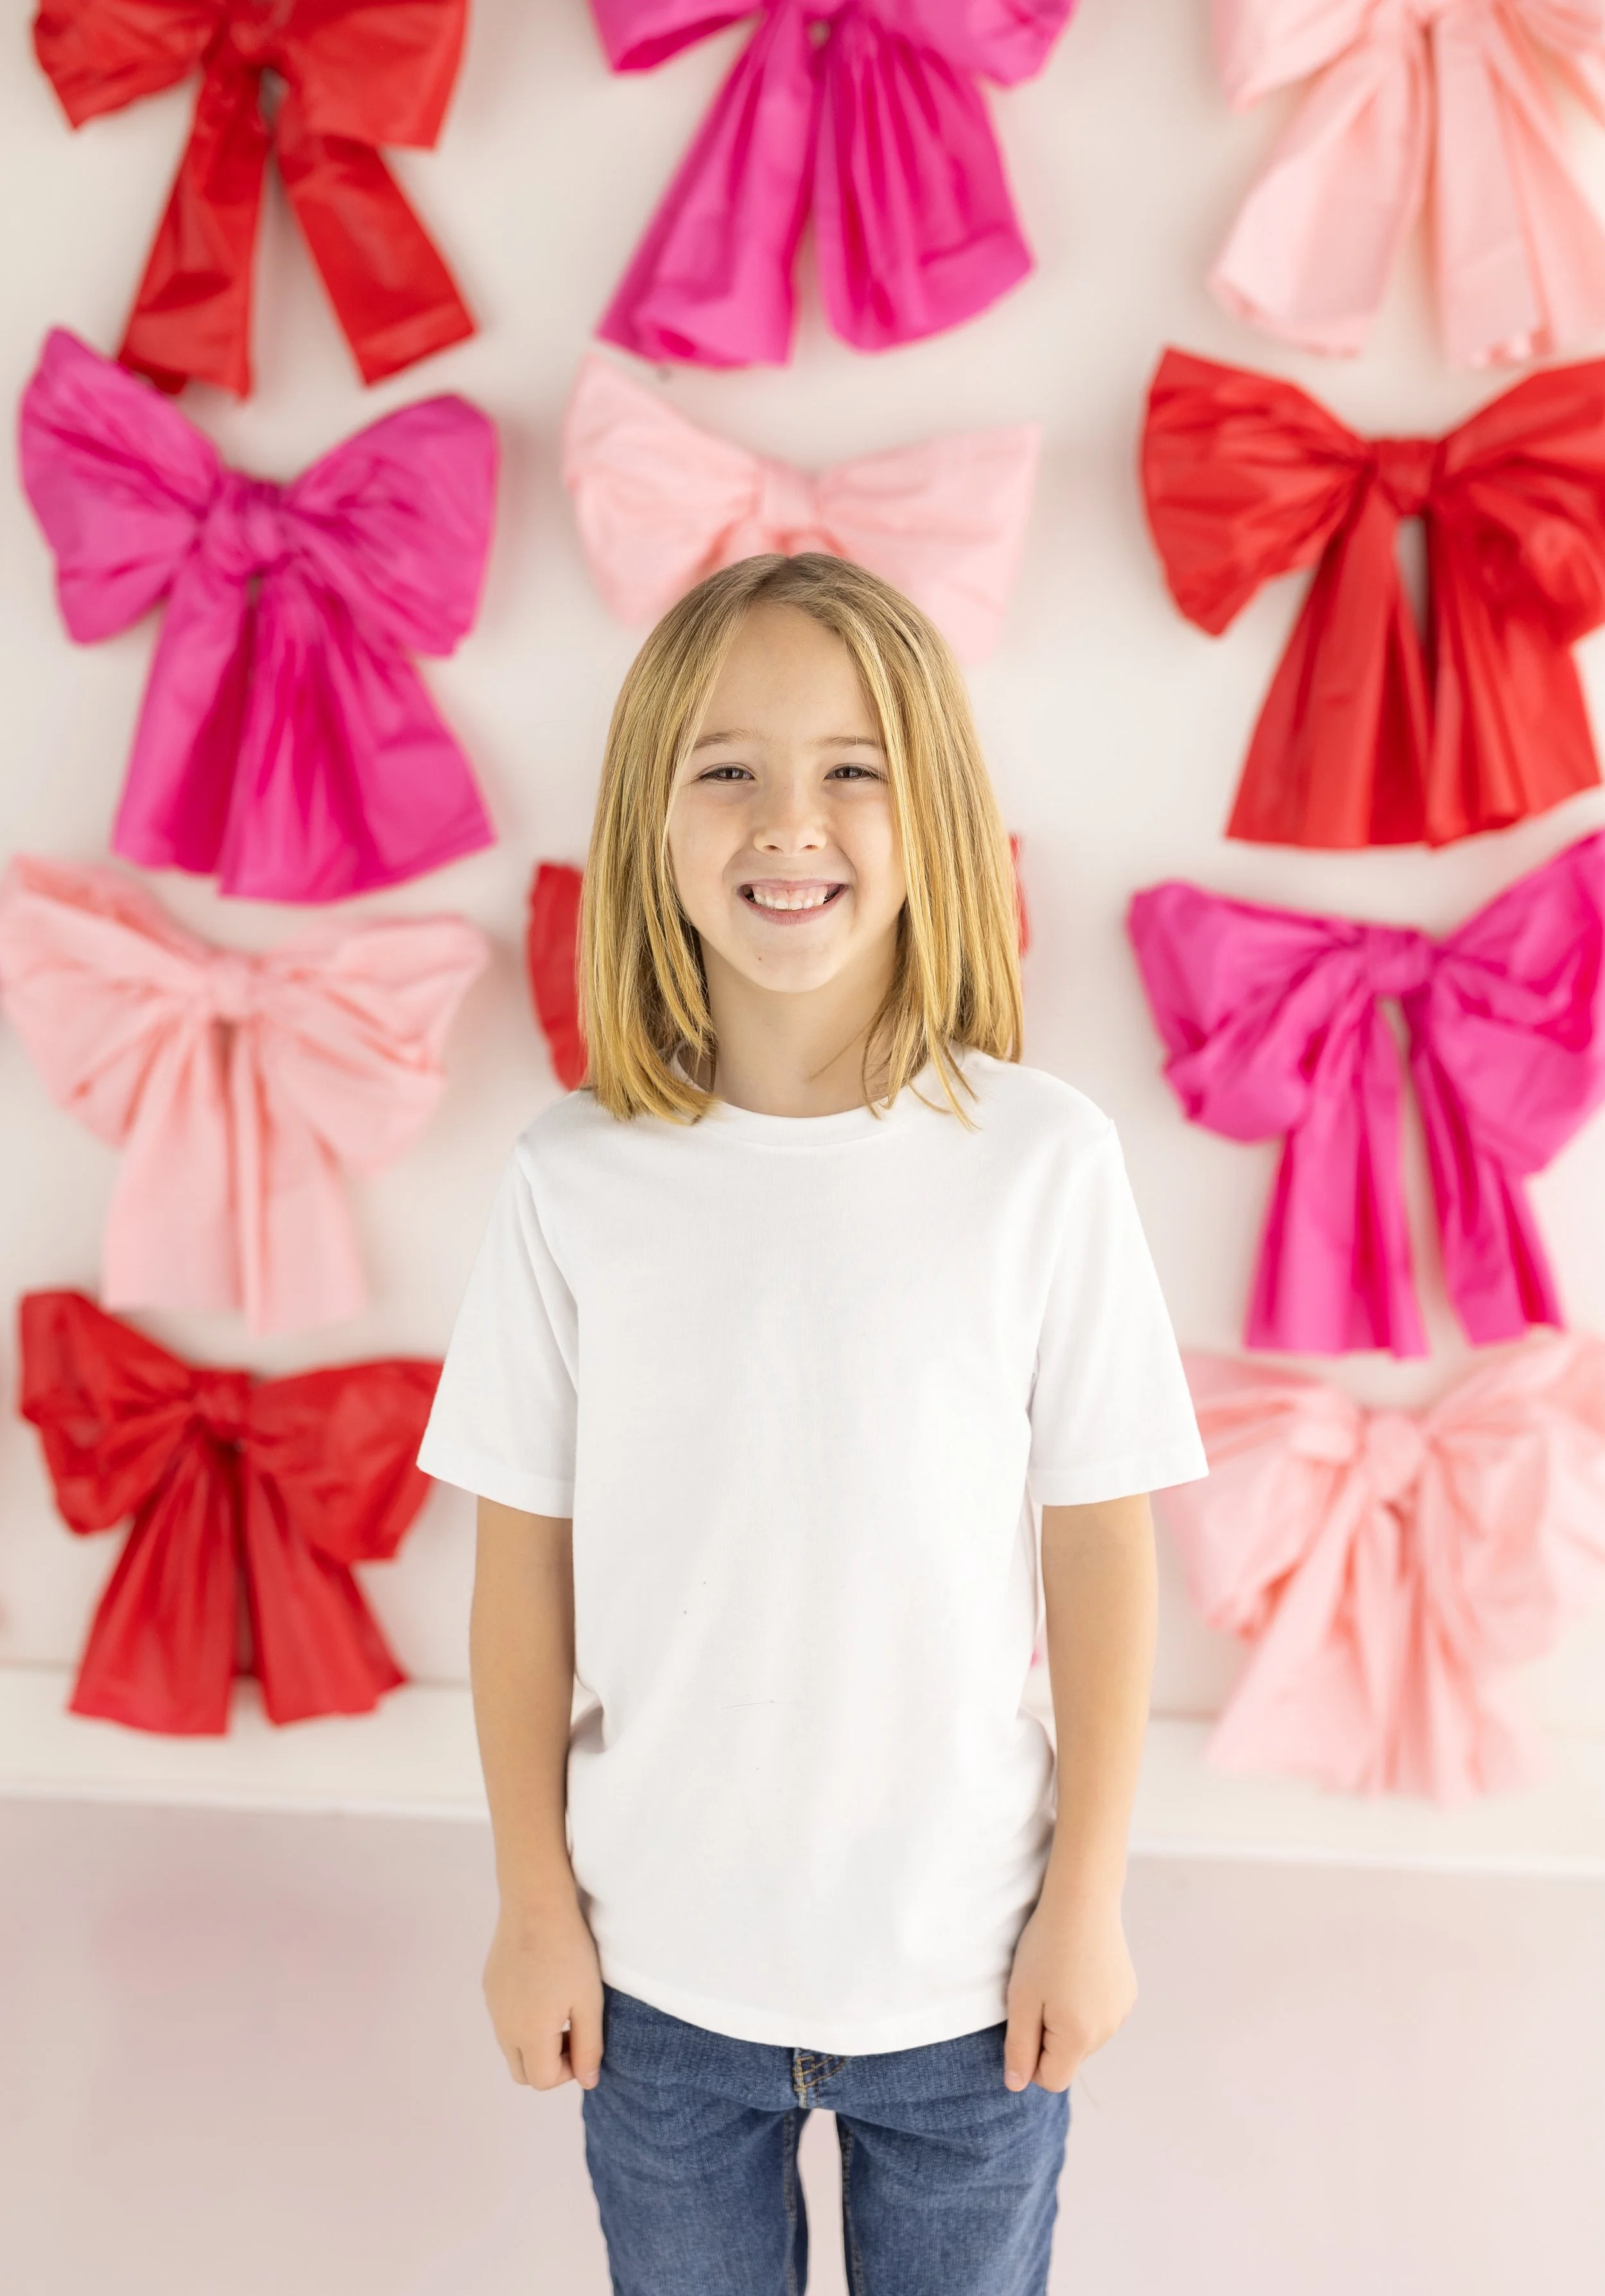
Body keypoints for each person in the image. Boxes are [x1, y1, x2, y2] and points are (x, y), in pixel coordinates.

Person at [418, 553, 1206, 2294]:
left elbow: (1098, 1545)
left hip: (969, 1991)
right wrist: (530, 1904)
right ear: (649, 816)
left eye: (852, 766)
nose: (793, 821)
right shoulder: (571, 1181)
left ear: (931, 812)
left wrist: (1088, 1901)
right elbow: (521, 1571)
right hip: (657, 1994)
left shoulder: (1040, 1165)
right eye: (728, 769)